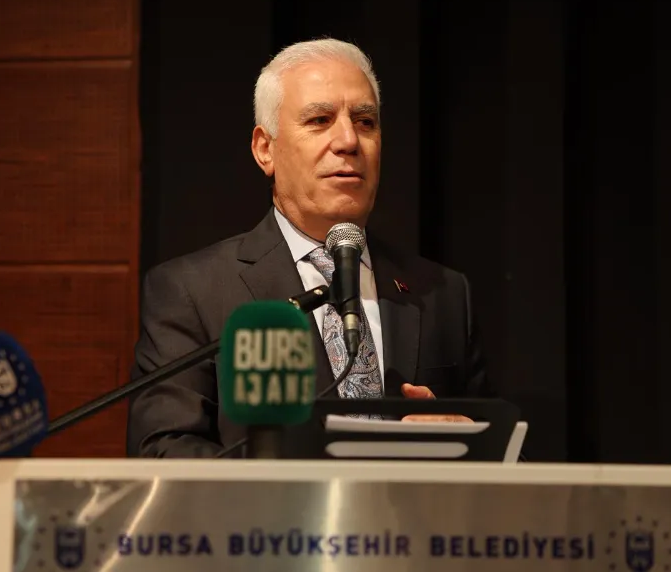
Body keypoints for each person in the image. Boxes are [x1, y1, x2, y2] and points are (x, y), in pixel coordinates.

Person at [126, 38, 488, 458]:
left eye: (365, 121)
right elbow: (163, 450)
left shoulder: (443, 293)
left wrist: (471, 441)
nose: (349, 140)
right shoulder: (194, 292)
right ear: (265, 149)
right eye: (320, 120)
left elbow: (508, 454)